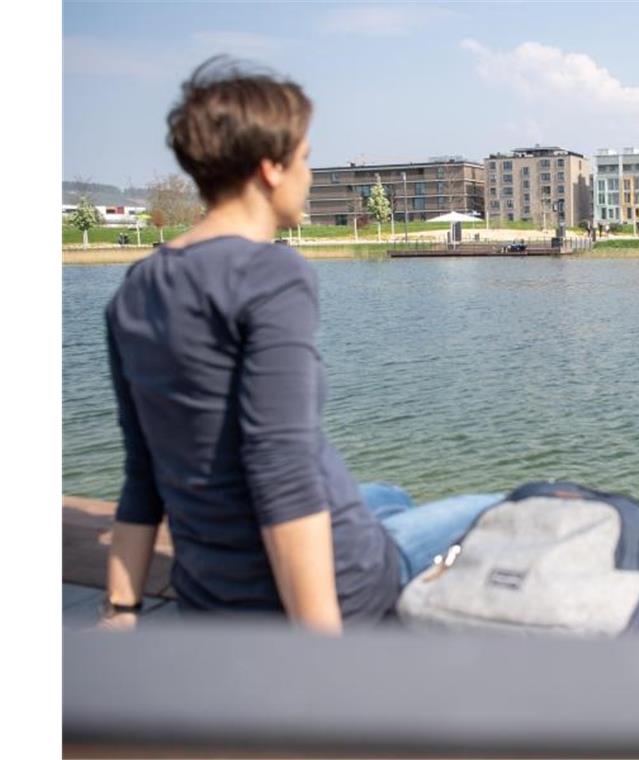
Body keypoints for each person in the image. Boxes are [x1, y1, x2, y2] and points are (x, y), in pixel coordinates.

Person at [100, 57, 502, 635]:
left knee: (387, 493)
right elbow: (281, 469)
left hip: (209, 591)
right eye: (307, 158)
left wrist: (123, 610)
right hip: (337, 583)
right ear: (270, 168)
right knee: (500, 507)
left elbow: (142, 471)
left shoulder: (135, 287)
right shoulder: (269, 274)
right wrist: (317, 660)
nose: (310, 175)